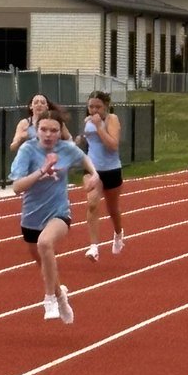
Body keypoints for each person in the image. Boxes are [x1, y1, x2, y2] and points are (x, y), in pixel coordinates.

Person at [9, 111, 101, 323]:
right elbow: (16, 187)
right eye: (44, 129)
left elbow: (85, 158)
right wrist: (42, 170)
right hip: (31, 217)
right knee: (45, 263)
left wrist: (94, 176)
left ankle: (49, 298)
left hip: (59, 213)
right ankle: (60, 296)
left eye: (54, 130)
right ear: (36, 130)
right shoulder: (27, 150)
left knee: (45, 243)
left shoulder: (66, 149)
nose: (48, 134)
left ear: (60, 132)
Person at [79, 90, 125, 261]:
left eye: (98, 106)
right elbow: (90, 142)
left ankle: (119, 233)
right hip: (93, 169)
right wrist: (80, 139)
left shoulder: (112, 119)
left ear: (106, 106)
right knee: (92, 203)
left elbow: (112, 145)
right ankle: (93, 247)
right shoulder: (87, 120)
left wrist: (99, 127)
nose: (94, 110)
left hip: (111, 169)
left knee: (113, 209)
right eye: (91, 106)